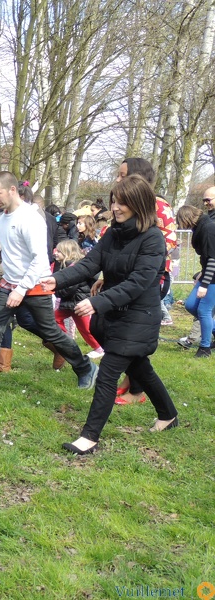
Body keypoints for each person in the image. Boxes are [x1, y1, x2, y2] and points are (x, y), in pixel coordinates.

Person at [40, 175, 179, 454]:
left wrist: (98, 302)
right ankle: (169, 414)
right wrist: (58, 280)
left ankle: (89, 437)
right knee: (140, 367)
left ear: (138, 204)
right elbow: (90, 263)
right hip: (114, 316)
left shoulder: (153, 239)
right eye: (114, 200)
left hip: (139, 317)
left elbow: (138, 282)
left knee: (107, 374)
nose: (115, 207)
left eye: (123, 202)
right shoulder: (113, 234)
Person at [0, 171, 97, 392]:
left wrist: (20, 290)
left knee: (50, 331)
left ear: (12, 190)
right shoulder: (2, 218)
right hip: (9, 285)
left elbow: (39, 258)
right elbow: (10, 256)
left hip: (34, 285)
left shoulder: (30, 218)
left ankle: (85, 367)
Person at [105, 158, 177, 404]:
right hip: (121, 278)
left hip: (147, 280)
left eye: (122, 174)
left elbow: (168, 240)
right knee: (124, 336)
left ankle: (137, 389)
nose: (118, 179)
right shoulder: (121, 204)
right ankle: (137, 384)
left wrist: (143, 263)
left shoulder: (158, 205)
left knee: (132, 335)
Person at [52, 240, 105, 360]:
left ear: (67, 253)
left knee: (85, 328)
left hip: (77, 302)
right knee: (55, 319)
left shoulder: (73, 268)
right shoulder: (65, 265)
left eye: (59, 251)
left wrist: (55, 290)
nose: (56, 253)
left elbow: (69, 288)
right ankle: (65, 342)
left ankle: (99, 348)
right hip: (71, 303)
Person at [176, 205, 215, 358]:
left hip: (213, 276)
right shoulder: (200, 228)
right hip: (206, 273)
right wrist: (201, 275)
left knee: (204, 310)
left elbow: (212, 258)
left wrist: (204, 285)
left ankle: (205, 348)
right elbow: (205, 258)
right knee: (191, 305)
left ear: (186, 218)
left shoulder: (208, 228)